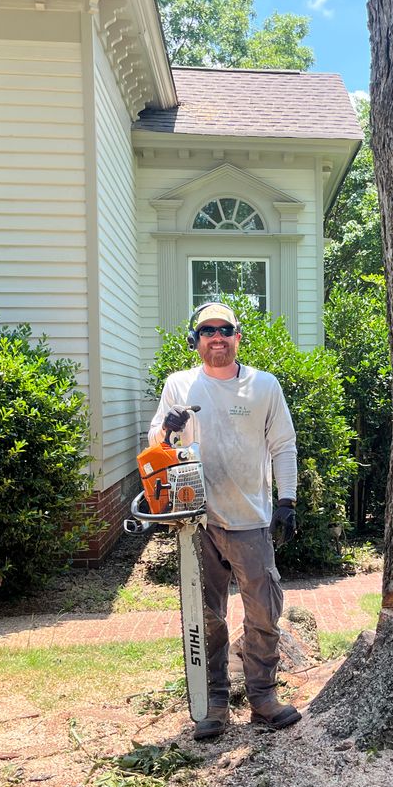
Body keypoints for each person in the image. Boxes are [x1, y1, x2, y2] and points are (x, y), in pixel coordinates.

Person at [149, 302, 301, 741]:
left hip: (249, 518)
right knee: (205, 617)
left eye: (225, 330)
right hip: (194, 521)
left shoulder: (264, 386)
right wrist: (168, 431)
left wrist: (286, 501)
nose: (217, 337)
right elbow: (156, 443)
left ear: (238, 337)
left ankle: (262, 697)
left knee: (263, 612)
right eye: (207, 331)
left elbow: (284, 445)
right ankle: (213, 701)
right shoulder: (178, 385)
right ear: (195, 341)